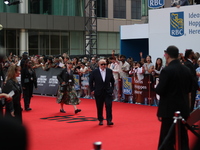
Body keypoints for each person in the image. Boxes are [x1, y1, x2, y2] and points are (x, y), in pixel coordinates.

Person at [155, 45, 193, 150]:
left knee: (167, 139)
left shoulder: (167, 71)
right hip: (183, 110)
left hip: (169, 111)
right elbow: (190, 88)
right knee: (183, 138)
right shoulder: (186, 69)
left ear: (167, 55)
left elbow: (160, 90)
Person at [89, 59, 115, 125]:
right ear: (99, 65)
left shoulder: (109, 71)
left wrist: (112, 89)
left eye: (105, 64)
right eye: (102, 64)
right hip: (98, 91)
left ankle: (109, 120)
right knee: (99, 106)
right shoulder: (95, 72)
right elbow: (91, 81)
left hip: (107, 91)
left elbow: (112, 81)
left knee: (109, 105)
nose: (103, 66)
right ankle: (100, 119)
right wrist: (92, 90)